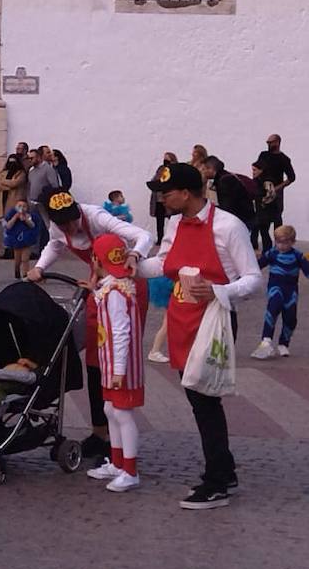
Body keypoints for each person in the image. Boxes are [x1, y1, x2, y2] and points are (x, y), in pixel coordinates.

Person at [138, 162, 263, 509]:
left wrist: (220, 292)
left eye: (167, 192)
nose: (162, 198)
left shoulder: (227, 226)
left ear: (188, 193)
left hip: (214, 320)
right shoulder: (175, 224)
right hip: (181, 319)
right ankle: (224, 471)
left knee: (204, 398)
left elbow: (253, 278)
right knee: (198, 398)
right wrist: (128, 263)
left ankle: (217, 479)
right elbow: (164, 264)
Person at [27, 188, 152, 463]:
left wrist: (135, 255)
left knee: (118, 355)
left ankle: (120, 433)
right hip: (99, 285)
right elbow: (55, 244)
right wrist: (39, 267)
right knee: (95, 361)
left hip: (128, 286)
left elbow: (144, 236)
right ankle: (100, 433)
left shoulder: (97, 216)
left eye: (72, 219)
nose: (70, 226)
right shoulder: (58, 227)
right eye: (64, 222)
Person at [84, 234, 145, 493]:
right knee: (111, 409)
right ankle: (118, 463)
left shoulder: (115, 293)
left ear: (97, 259)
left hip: (121, 365)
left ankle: (130, 470)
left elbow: (120, 330)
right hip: (113, 362)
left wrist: (119, 370)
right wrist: (94, 291)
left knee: (121, 412)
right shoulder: (114, 287)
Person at [251, 225, 309, 359]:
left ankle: (284, 343)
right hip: (275, 289)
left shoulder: (297, 256)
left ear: (293, 242)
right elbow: (257, 265)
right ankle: (266, 340)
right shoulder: (272, 253)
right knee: (273, 309)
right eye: (278, 242)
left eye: (285, 243)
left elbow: (307, 270)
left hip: (291, 292)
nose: (281, 246)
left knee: (290, 318)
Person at [2, 199, 39, 280]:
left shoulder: (29, 216)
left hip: (27, 240)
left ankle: (25, 274)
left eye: (24, 206)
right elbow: (8, 226)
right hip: (16, 240)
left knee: (25, 259)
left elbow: (32, 225)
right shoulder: (12, 215)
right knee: (17, 259)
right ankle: (17, 271)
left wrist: (25, 219)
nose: (22, 208)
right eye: (19, 206)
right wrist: (15, 217)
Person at [149, 151, 177, 244]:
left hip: (170, 198)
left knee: (174, 219)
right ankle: (160, 238)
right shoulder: (161, 168)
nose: (165, 160)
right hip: (159, 199)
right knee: (159, 221)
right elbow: (155, 179)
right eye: (164, 158)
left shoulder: (176, 168)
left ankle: (175, 237)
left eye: (167, 158)